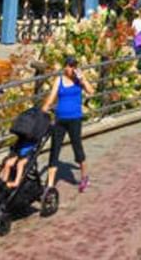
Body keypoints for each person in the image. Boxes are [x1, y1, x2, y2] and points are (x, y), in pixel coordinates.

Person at [43, 56, 95, 192]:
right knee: (55, 149)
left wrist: (82, 79)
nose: (71, 69)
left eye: (73, 66)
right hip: (60, 119)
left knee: (77, 147)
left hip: (74, 119)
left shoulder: (79, 81)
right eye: (69, 66)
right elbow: (51, 97)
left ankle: (84, 177)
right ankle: (49, 184)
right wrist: (43, 110)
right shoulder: (59, 80)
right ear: (64, 67)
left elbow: (91, 91)